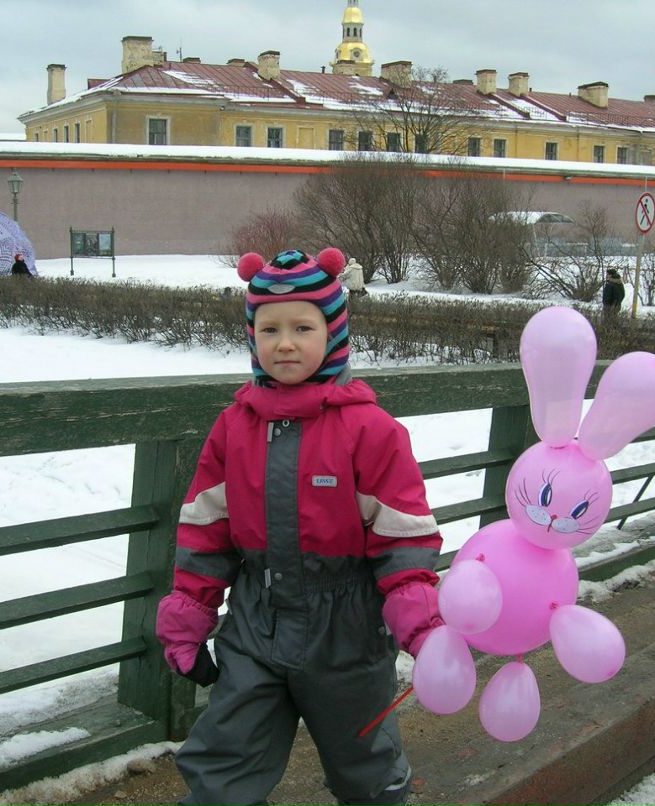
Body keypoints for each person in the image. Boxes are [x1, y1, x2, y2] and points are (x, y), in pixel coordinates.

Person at [155, 248, 443, 806]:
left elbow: (402, 534)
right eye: (270, 329)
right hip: (255, 627)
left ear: (332, 333)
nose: (285, 343)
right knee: (224, 759)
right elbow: (205, 529)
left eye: (303, 327)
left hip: (349, 632)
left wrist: (417, 617)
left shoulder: (371, 430)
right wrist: (189, 613)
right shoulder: (234, 427)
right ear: (253, 336)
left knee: (366, 762)